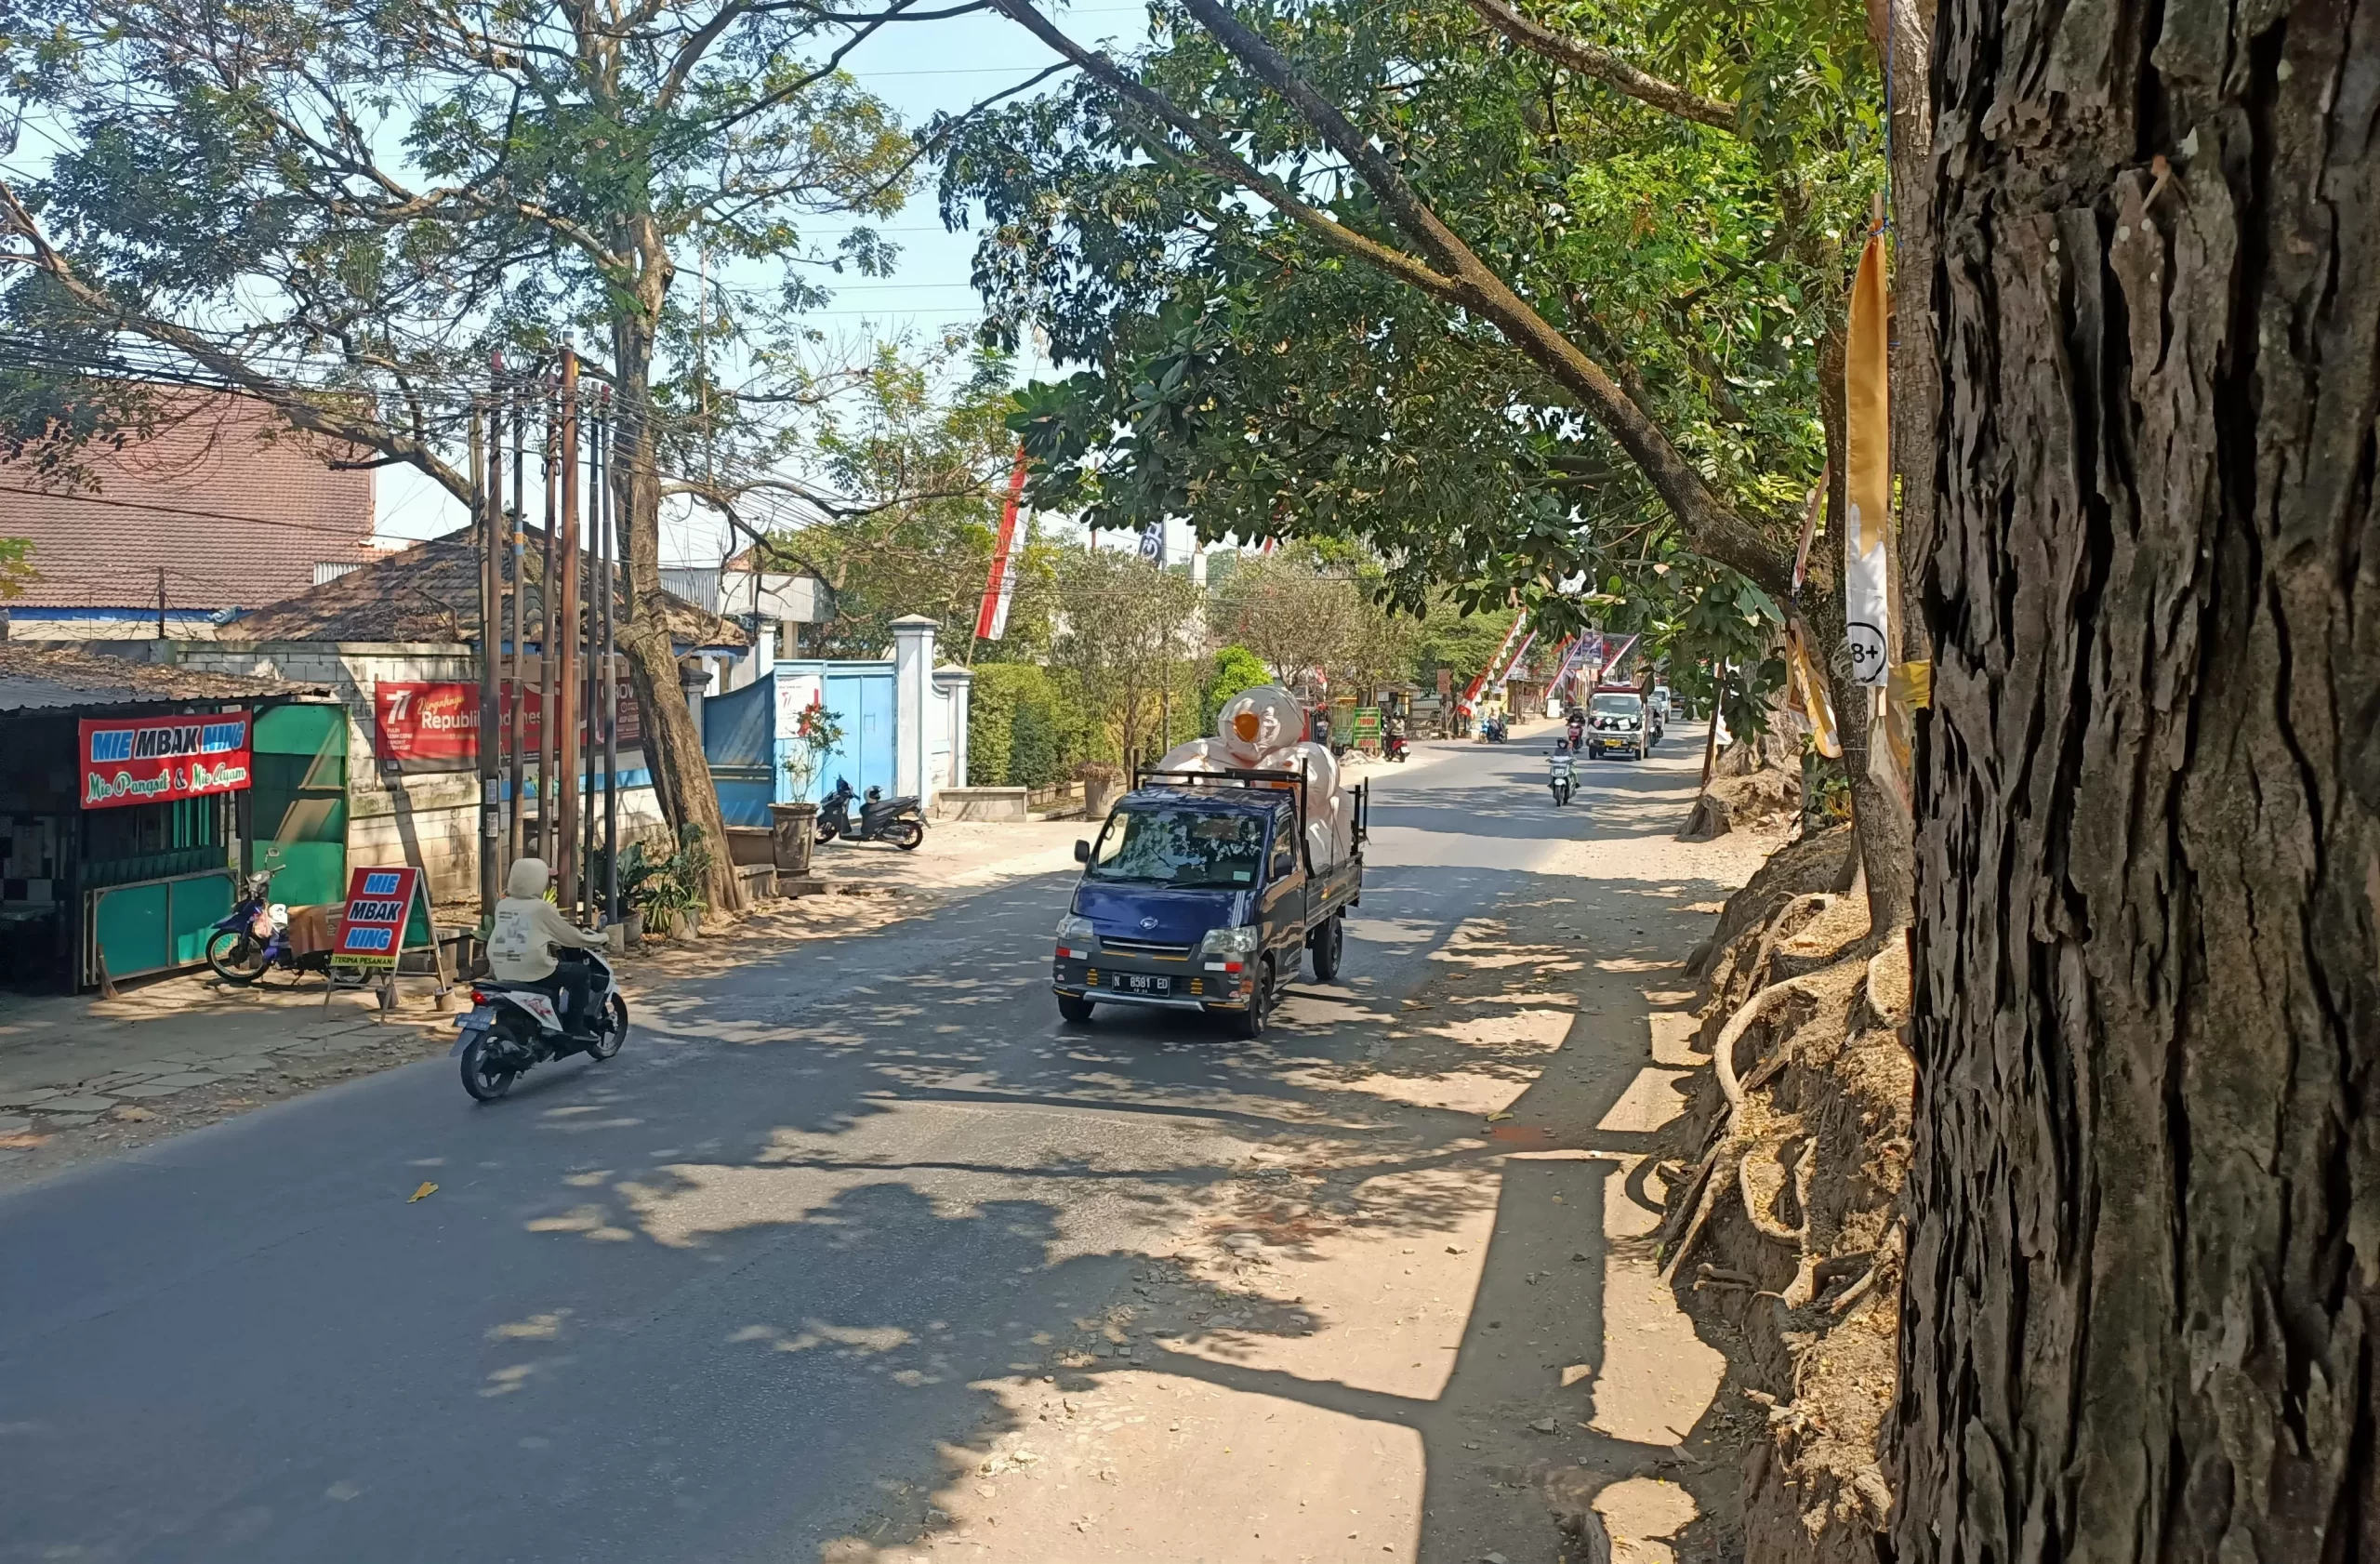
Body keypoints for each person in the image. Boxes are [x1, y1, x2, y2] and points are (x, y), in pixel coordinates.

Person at [488, 856, 608, 1034]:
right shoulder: (540, 908)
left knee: (554, 974)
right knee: (580, 974)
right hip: (532, 968)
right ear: (537, 882)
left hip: (501, 968)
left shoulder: (503, 905)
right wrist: (600, 938)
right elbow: (571, 937)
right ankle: (576, 1027)